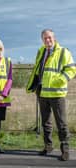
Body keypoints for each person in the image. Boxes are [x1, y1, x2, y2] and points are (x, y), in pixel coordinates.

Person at [26, 29, 76, 161]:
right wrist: (35, 84)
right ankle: (48, 146)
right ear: (42, 40)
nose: (47, 40)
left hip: (57, 93)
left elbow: (72, 69)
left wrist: (59, 80)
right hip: (42, 92)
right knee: (46, 122)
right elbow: (38, 69)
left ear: (54, 38)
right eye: (44, 38)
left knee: (62, 123)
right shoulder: (41, 51)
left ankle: (65, 149)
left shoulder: (64, 52)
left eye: (49, 38)